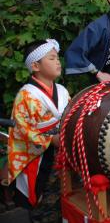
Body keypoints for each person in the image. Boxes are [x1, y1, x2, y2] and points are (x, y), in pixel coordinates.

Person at [8, 39, 70, 222]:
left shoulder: (62, 90)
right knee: (43, 206)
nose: (57, 61)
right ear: (35, 65)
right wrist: (51, 140)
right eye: (51, 58)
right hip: (41, 157)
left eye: (57, 58)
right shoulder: (26, 95)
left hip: (63, 154)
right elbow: (21, 129)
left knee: (66, 199)